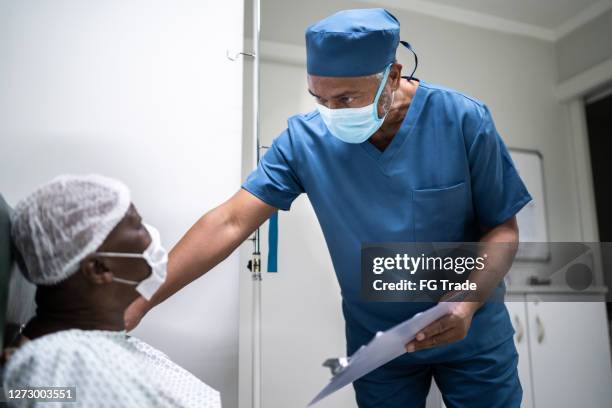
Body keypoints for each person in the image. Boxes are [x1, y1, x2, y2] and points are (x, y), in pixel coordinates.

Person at [126, 8, 531, 408]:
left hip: (473, 327)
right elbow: (231, 221)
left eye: (346, 98)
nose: (332, 113)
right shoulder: (305, 141)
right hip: (379, 342)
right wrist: (141, 300)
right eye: (319, 98)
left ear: (392, 75)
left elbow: (503, 229)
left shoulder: (462, 119)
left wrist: (465, 303)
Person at [5, 175, 221, 408]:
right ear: (99, 269)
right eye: (138, 225)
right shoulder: (63, 360)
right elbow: (43, 391)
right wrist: (27, 375)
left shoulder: (70, 353)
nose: (150, 236)